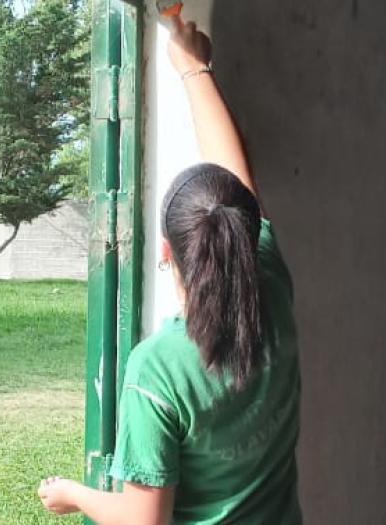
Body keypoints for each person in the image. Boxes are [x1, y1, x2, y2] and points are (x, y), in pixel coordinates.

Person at [38, 15, 301, 525]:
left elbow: (144, 521)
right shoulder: (271, 286)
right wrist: (192, 67)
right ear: (246, 236)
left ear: (166, 252)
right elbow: (236, 180)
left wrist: (72, 495)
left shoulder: (156, 370)